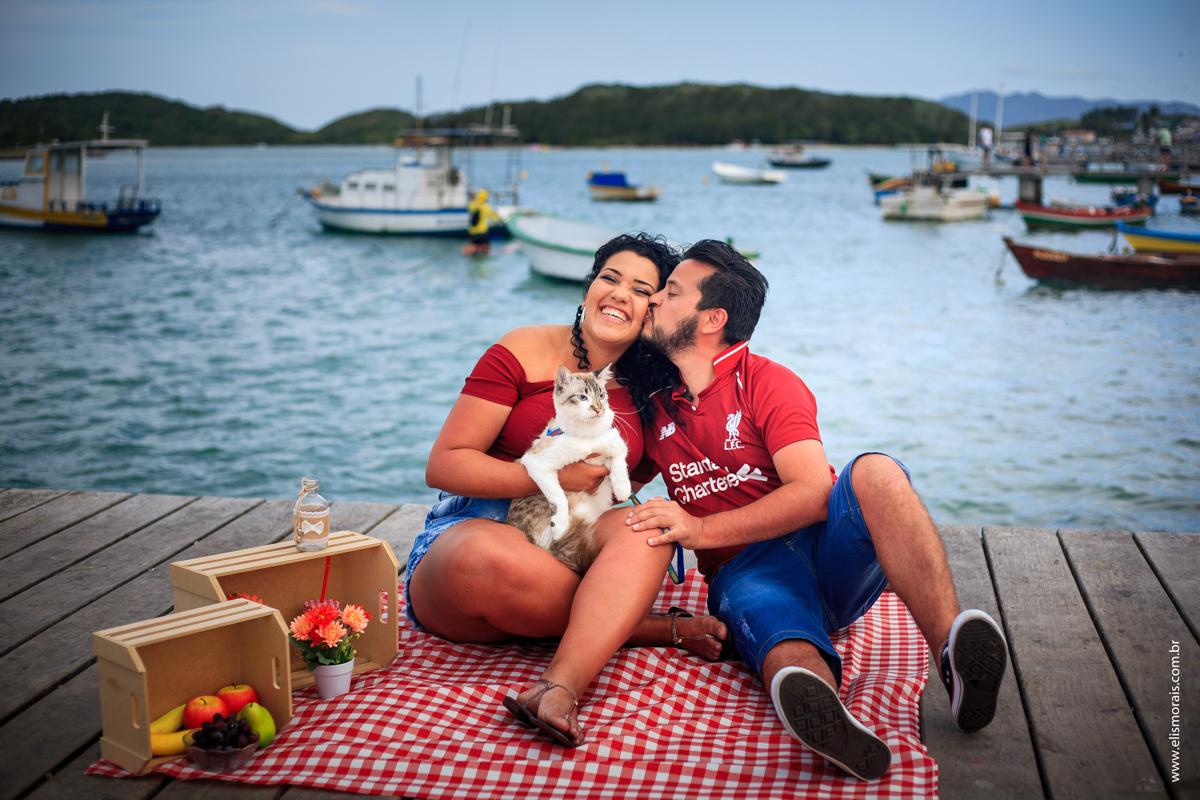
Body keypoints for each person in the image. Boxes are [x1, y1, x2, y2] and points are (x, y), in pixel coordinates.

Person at [622, 240, 1008, 782]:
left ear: (712, 319)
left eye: (671, 291)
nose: (654, 299)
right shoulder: (654, 404)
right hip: (745, 572)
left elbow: (811, 493)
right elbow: (613, 483)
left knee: (875, 470)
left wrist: (699, 528)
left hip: (827, 551)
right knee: (784, 643)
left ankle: (952, 654)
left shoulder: (767, 381)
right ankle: (832, 723)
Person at [408, 233, 729, 748]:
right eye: (610, 278)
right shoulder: (525, 347)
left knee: (650, 529)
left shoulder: (653, 390)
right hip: (483, 526)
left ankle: (559, 687)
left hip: (573, 540)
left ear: (654, 309)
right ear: (588, 287)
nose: (620, 293)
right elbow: (444, 464)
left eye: (640, 289)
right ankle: (640, 624)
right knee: (486, 559)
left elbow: (631, 486)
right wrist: (546, 477)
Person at [463, 189, 502, 255]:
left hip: (472, 231)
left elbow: (469, 207)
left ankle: (468, 251)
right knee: (485, 249)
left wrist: (472, 199)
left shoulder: (473, 204)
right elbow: (494, 217)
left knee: (474, 247)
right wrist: (500, 218)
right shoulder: (486, 206)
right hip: (482, 231)